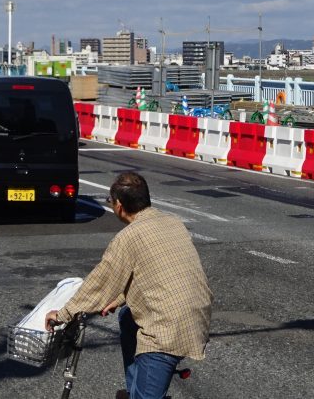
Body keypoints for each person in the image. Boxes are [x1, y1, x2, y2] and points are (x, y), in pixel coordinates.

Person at [46, 171, 212, 399]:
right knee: (127, 315)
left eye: (111, 202)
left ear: (119, 206)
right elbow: (155, 274)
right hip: (197, 316)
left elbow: (100, 283)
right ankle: (136, 387)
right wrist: (121, 297)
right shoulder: (173, 222)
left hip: (166, 330)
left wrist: (64, 314)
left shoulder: (129, 237)